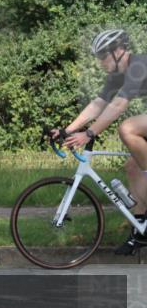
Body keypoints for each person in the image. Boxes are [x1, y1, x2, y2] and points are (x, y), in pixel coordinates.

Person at [56, 29, 147, 255]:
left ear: (119, 51)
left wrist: (89, 134)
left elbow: (117, 106)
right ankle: (141, 232)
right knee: (132, 167)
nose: (101, 63)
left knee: (127, 128)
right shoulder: (117, 76)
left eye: (103, 57)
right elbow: (98, 104)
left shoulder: (138, 66)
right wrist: (67, 131)